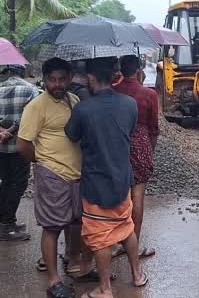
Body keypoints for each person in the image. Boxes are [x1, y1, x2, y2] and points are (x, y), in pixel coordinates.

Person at [65, 57, 147, 296]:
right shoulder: (130, 104)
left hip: (96, 182)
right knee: (125, 227)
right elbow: (129, 132)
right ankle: (137, 275)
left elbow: (71, 135)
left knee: (100, 235)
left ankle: (105, 289)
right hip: (123, 178)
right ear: (113, 76)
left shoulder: (83, 108)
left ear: (91, 78)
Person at [16, 58, 92, 297]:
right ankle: (53, 280)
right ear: (45, 79)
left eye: (61, 79)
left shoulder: (74, 100)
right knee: (52, 227)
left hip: (77, 174)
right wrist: (41, 162)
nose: (57, 84)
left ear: (69, 77)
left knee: (76, 222)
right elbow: (22, 145)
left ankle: (73, 262)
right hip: (52, 174)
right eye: (52, 80)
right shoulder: (36, 106)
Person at [112, 54, 160, 259]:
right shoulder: (149, 94)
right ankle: (134, 244)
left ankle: (114, 243)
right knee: (137, 195)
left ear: (121, 70)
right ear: (139, 70)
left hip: (117, 145)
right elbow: (153, 128)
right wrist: (150, 150)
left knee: (118, 197)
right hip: (141, 142)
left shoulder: (114, 91)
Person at [0, 64, 38, 242]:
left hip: (1, 146)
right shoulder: (31, 90)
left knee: (6, 182)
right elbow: (32, 115)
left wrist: (2, 131)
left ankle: (6, 221)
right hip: (19, 146)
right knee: (18, 184)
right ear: (22, 72)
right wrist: (13, 129)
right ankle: (6, 225)